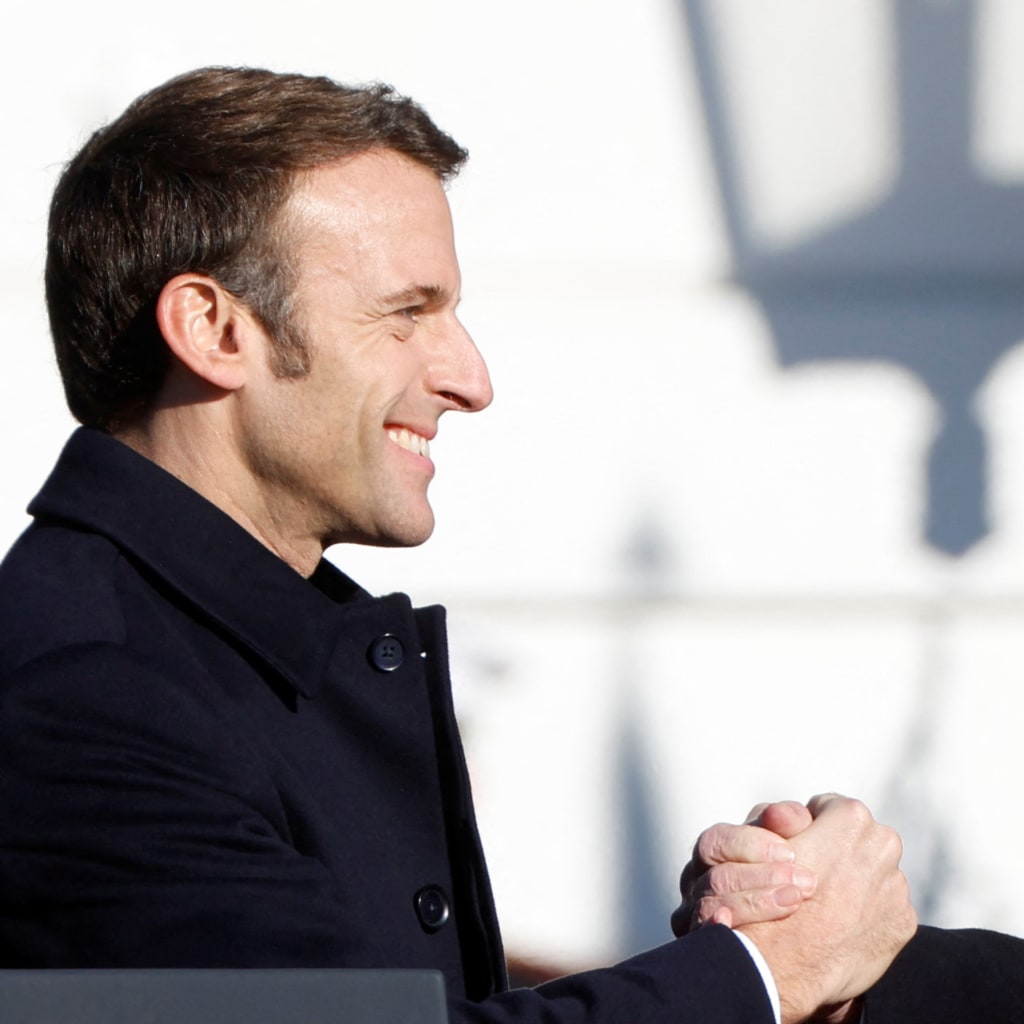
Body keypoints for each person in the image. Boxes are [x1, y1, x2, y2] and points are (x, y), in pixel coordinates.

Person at [0, 65, 1012, 1023]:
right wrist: (763, 974)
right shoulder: (82, 688)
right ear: (216, 331)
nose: (470, 377)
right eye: (406, 314)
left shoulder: (229, 653)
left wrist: (836, 969)